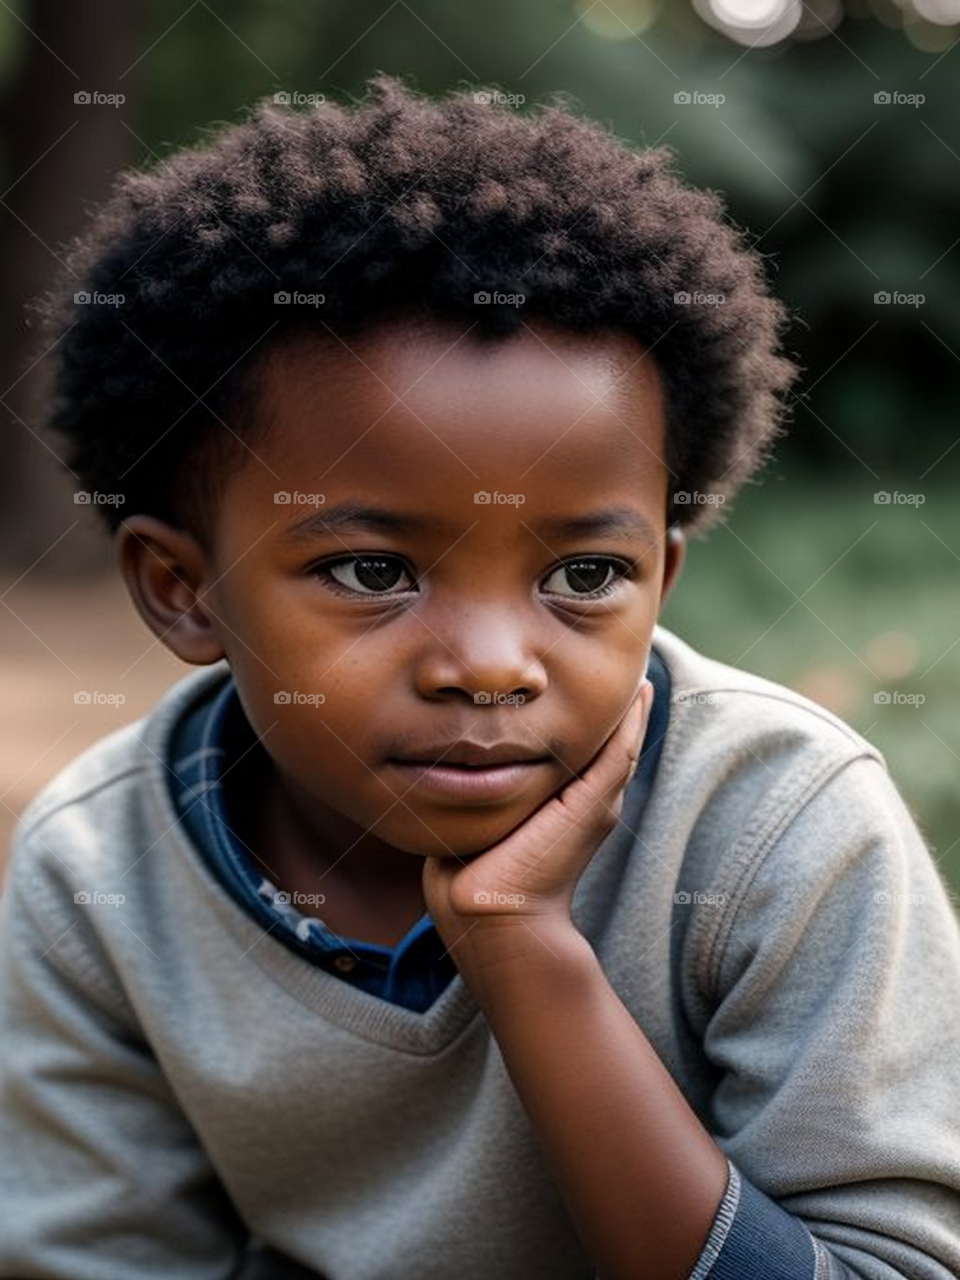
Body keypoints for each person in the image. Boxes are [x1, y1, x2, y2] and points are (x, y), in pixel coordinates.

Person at [1, 74, 958, 1280]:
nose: (493, 664)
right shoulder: (100, 873)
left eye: (585, 575)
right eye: (368, 569)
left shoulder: (778, 827)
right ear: (183, 589)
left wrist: (525, 952)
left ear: (660, 574)